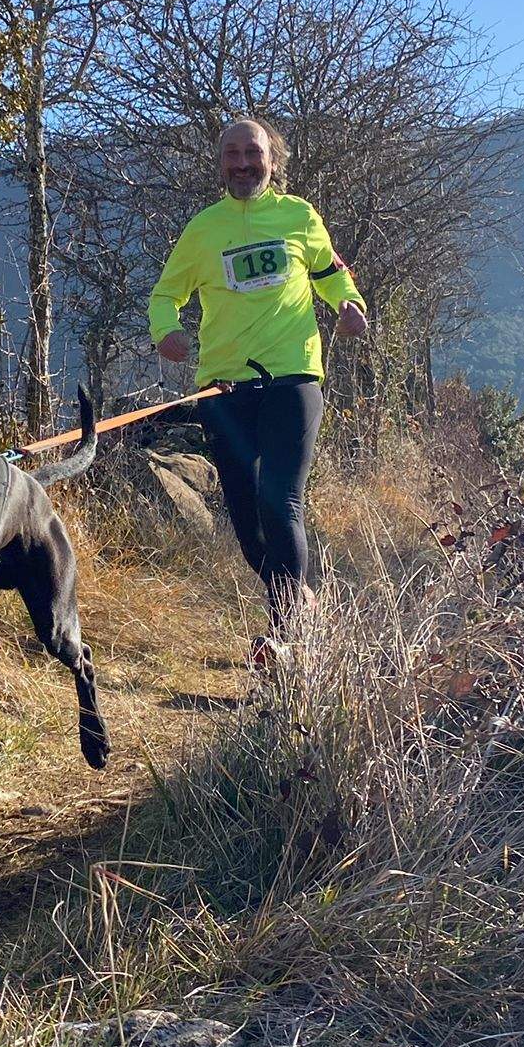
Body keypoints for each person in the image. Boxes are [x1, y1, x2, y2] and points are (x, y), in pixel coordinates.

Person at [148, 116, 368, 662]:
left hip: (293, 375)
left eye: (254, 153)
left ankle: (289, 638)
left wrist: (350, 302)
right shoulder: (203, 229)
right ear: (220, 161)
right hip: (224, 388)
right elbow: (164, 295)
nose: (243, 164)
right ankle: (305, 605)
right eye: (232, 154)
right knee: (245, 519)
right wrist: (167, 331)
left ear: (274, 159)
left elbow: (331, 272)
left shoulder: (298, 216)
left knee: (281, 502)